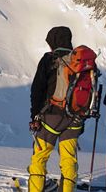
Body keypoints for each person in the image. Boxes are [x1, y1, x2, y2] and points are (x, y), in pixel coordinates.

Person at [28, 26, 84, 192]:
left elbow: (37, 90)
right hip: (75, 119)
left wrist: (35, 116)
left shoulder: (49, 59)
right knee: (69, 160)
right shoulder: (80, 61)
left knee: (39, 158)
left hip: (51, 118)